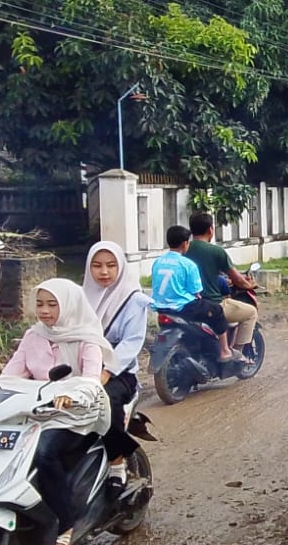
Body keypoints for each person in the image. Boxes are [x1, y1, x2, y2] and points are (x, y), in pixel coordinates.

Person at [1, 279, 116, 545]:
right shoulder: (33, 336)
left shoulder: (87, 339)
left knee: (43, 453)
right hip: (39, 410)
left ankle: (66, 521)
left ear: (69, 305)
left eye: (52, 304)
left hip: (78, 414)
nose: (44, 311)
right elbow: (10, 374)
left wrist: (72, 395)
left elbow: (91, 380)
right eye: (40, 304)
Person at [82, 240, 151, 497]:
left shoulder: (134, 300)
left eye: (111, 265)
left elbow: (131, 343)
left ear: (120, 267)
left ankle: (117, 463)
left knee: (103, 404)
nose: (104, 272)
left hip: (119, 374)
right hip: (82, 370)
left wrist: (106, 372)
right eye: (97, 265)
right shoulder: (80, 299)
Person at [149, 225, 240, 366]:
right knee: (216, 310)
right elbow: (196, 292)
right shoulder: (188, 264)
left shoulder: (157, 262)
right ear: (185, 243)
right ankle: (224, 350)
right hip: (182, 308)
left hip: (160, 307)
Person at [186, 211, 258, 355]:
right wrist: (250, 285)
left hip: (188, 304)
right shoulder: (217, 252)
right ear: (210, 230)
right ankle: (236, 353)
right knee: (251, 312)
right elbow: (238, 280)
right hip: (212, 304)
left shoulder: (184, 249)